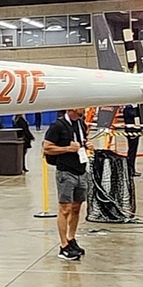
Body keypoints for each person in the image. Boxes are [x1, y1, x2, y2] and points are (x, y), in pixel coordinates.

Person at [44, 108, 91, 261]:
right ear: (72, 108)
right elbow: (47, 148)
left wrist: (87, 145)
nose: (84, 109)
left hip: (81, 170)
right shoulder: (58, 126)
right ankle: (63, 245)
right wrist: (67, 149)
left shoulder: (81, 124)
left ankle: (71, 238)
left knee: (77, 207)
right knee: (65, 209)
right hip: (66, 172)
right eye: (81, 107)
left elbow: (82, 142)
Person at [120, 104, 143, 178]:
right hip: (133, 132)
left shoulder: (131, 108)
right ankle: (130, 169)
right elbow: (135, 119)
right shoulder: (131, 109)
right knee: (132, 151)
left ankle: (131, 169)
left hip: (133, 131)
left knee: (132, 150)